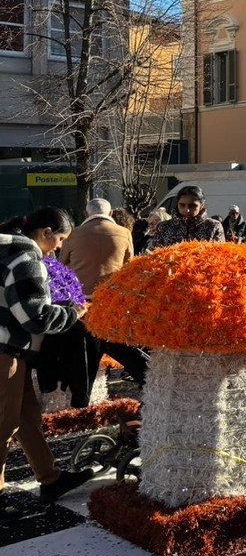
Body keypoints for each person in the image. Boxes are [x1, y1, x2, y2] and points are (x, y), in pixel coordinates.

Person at [1, 208, 94, 518]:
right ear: (45, 232)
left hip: (9, 348)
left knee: (26, 416)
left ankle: (50, 478)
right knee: (3, 424)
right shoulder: (26, 258)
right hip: (4, 351)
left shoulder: (7, 248)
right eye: (60, 240)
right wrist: (73, 313)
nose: (59, 248)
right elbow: (35, 317)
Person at [59, 198, 146, 386]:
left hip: (80, 303)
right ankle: (143, 375)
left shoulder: (73, 235)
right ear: (111, 214)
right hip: (111, 300)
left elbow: (62, 265)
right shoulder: (124, 233)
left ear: (85, 214)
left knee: (85, 351)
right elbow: (129, 266)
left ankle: (83, 393)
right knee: (116, 344)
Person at [150, 186, 225, 247]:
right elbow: (155, 255)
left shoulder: (213, 226)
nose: (187, 210)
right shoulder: (164, 227)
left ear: (201, 205)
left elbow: (220, 255)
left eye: (192, 206)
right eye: (182, 205)